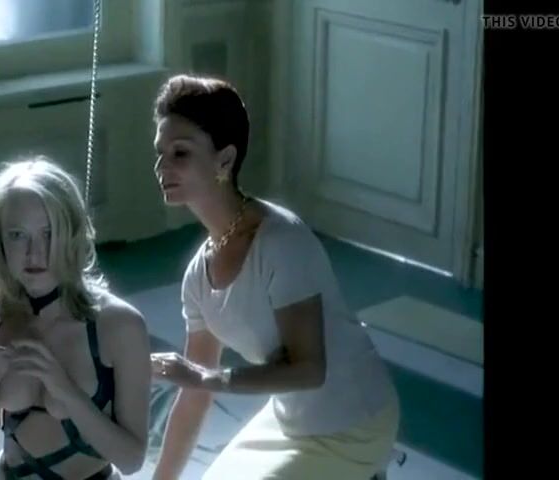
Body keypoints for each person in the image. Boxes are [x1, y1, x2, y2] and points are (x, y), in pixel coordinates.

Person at [149, 75, 401, 479]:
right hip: (289, 419)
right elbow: (194, 396)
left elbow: (309, 369)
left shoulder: (282, 241)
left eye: (180, 152)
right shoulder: (198, 276)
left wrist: (204, 376)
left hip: (353, 424)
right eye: (159, 152)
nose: (162, 166)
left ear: (224, 160)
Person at [0, 158, 151, 480]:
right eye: (17, 235)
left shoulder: (119, 326)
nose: (34, 253)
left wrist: (63, 388)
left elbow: (132, 460)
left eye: (49, 234)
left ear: (73, 235)